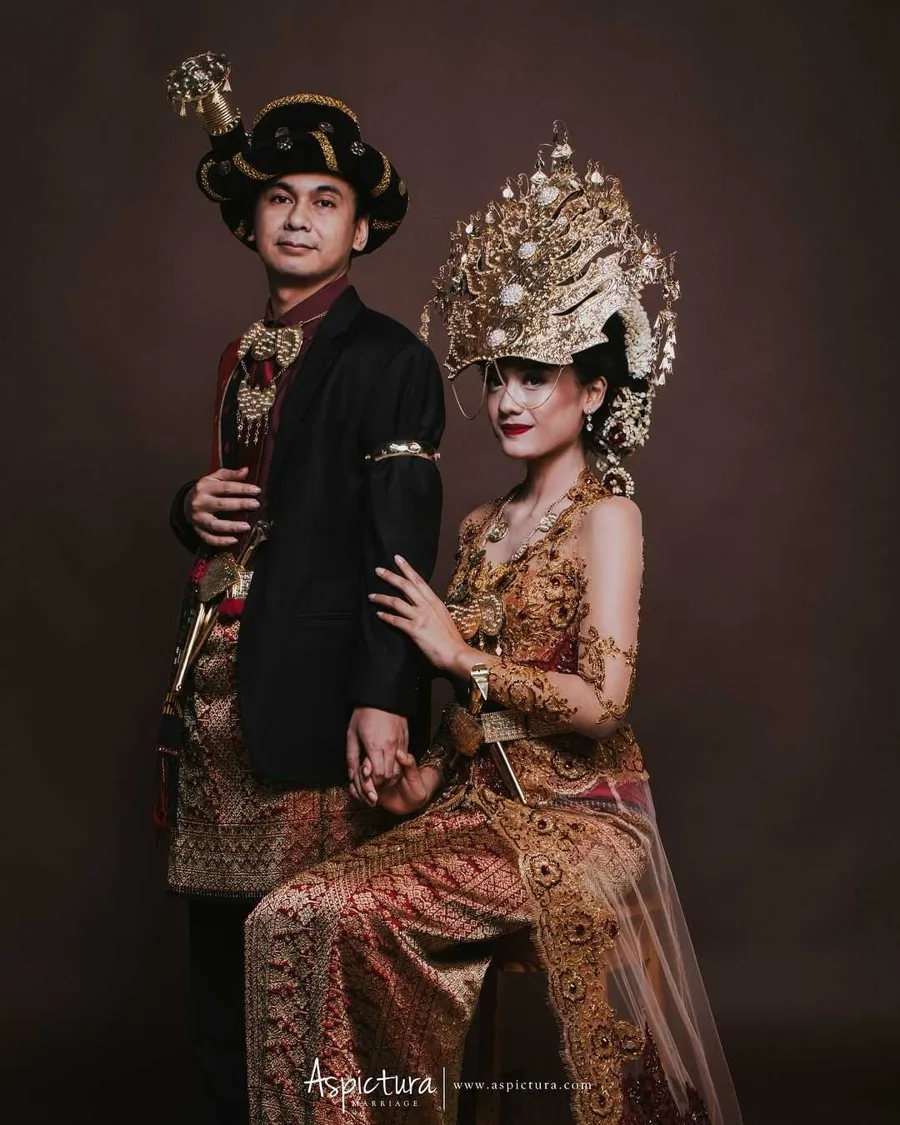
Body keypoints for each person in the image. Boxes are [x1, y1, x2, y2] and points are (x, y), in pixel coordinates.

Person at [244, 125, 742, 1124]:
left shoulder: (609, 517)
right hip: (478, 808)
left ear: (593, 389)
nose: (507, 400)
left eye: (535, 376)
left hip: (584, 820)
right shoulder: (480, 524)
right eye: (497, 376)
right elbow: (476, 725)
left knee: (338, 911)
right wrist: (425, 775)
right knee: (288, 914)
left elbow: (602, 703)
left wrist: (457, 654)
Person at [156, 54, 444, 1125]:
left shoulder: (389, 358)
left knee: (302, 960)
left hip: (318, 697)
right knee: (215, 967)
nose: (299, 217)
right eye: (280, 197)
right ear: (251, 221)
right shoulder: (242, 355)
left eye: (326, 201)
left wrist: (383, 696)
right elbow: (249, 507)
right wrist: (187, 506)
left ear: (360, 230)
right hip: (215, 698)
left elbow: (400, 543)